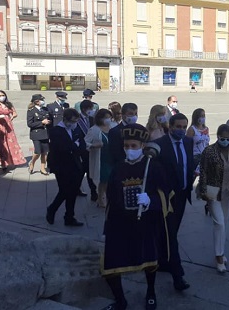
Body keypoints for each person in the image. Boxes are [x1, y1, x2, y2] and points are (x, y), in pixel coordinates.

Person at [101, 124, 170, 310]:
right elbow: (112, 198)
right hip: (120, 223)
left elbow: (166, 194)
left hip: (144, 223)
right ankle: (120, 301)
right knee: (111, 264)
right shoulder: (118, 168)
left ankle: (151, 292)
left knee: (149, 260)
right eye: (126, 146)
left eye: (133, 146)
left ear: (142, 145)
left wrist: (151, 201)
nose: (129, 149)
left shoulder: (153, 167)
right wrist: (107, 225)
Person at [154, 113, 194, 291]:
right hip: (166, 197)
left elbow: (188, 165)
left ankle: (161, 260)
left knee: (172, 231)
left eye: (184, 127)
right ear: (170, 127)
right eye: (178, 127)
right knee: (171, 234)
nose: (181, 130)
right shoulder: (160, 145)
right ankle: (178, 276)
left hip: (183, 194)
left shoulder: (188, 142)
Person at [197, 124, 229, 273]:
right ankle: (219, 256)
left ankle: (221, 251)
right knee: (219, 223)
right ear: (218, 137)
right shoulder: (209, 151)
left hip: (227, 190)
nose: (226, 141)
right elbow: (203, 172)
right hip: (212, 190)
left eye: (228, 138)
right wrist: (203, 192)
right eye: (223, 138)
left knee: (224, 222)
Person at [46, 108, 85, 227]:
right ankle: (52, 209)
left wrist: (76, 146)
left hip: (75, 164)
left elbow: (81, 143)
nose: (74, 124)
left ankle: (69, 217)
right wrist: (74, 145)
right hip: (61, 166)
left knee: (73, 192)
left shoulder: (76, 128)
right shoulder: (56, 131)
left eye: (76, 121)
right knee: (64, 191)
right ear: (65, 119)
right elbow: (63, 149)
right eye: (72, 121)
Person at [84, 109, 113, 208]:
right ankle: (100, 197)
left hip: (111, 157)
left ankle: (106, 196)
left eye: (109, 117)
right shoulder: (94, 130)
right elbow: (85, 142)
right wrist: (93, 145)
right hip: (101, 158)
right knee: (103, 179)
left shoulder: (112, 127)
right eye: (105, 118)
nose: (108, 120)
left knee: (110, 179)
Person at [0, 90, 26, 170]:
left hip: (8, 126)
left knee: (11, 143)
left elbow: (14, 113)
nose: (2, 97)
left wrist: (11, 117)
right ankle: (2, 162)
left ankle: (11, 161)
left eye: (3, 95)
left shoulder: (8, 104)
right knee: (0, 144)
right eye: (0, 95)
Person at [76, 100, 98, 200]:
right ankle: (77, 189)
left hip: (91, 148)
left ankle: (93, 192)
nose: (92, 110)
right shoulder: (77, 120)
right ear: (84, 109)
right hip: (82, 150)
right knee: (82, 172)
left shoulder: (92, 119)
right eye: (90, 109)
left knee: (89, 172)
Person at [27, 94, 51, 175]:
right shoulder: (31, 111)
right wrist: (41, 122)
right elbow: (30, 124)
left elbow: (49, 118)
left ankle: (42, 168)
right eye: (41, 100)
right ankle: (32, 163)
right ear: (37, 102)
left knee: (45, 152)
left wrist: (48, 122)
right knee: (37, 152)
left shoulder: (45, 109)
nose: (43, 101)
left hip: (45, 133)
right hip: (36, 134)